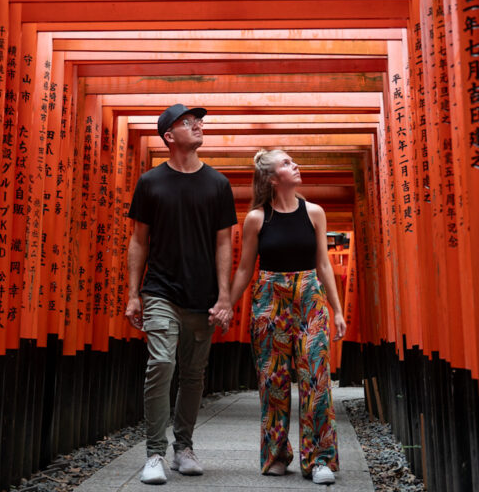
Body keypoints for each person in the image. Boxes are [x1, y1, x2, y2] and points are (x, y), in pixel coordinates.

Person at [125, 103, 237, 485]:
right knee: (161, 365)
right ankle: (154, 452)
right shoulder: (150, 182)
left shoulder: (218, 185)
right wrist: (133, 293)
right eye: (188, 122)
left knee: (193, 374)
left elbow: (225, 244)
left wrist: (224, 297)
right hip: (160, 290)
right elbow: (138, 241)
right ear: (169, 137)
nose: (198, 125)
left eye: (199, 121)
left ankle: (183, 447)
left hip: (203, 295)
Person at [228, 148, 347, 486]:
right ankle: (277, 454)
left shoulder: (315, 212)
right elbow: (244, 269)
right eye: (286, 163)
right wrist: (227, 304)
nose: (296, 165)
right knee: (273, 381)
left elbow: (323, 265)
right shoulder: (256, 218)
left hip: (309, 296)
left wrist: (337, 310)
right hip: (269, 299)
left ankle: (320, 458)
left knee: (317, 379)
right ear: (271, 177)